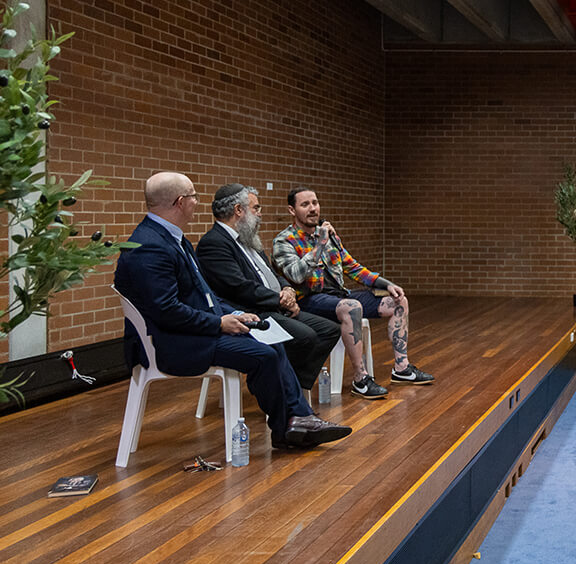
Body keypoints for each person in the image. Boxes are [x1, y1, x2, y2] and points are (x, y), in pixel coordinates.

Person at [114, 172, 351, 450]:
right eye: (193, 196)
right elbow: (166, 310)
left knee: (270, 341)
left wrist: (234, 315)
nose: (197, 202)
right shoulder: (150, 246)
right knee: (264, 353)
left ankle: (297, 421)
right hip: (172, 343)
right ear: (180, 202)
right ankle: (289, 426)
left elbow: (204, 296)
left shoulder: (170, 238)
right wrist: (219, 323)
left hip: (192, 329)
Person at [273, 186, 434, 399]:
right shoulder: (284, 241)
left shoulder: (330, 235)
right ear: (292, 211)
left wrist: (385, 284)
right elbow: (296, 275)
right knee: (352, 307)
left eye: (315, 203)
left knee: (398, 301)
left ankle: (401, 368)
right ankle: (361, 379)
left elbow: (352, 267)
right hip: (310, 300)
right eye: (305, 205)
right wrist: (320, 244)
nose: (313, 209)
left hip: (340, 295)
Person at [197, 184, 340, 393]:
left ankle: (292, 388)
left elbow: (271, 274)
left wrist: (287, 290)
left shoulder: (246, 239)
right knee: (305, 336)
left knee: (329, 330)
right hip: (250, 312)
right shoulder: (214, 243)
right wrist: (280, 300)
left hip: (273, 305)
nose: (260, 214)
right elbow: (239, 288)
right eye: (256, 208)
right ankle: (279, 391)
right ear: (238, 210)